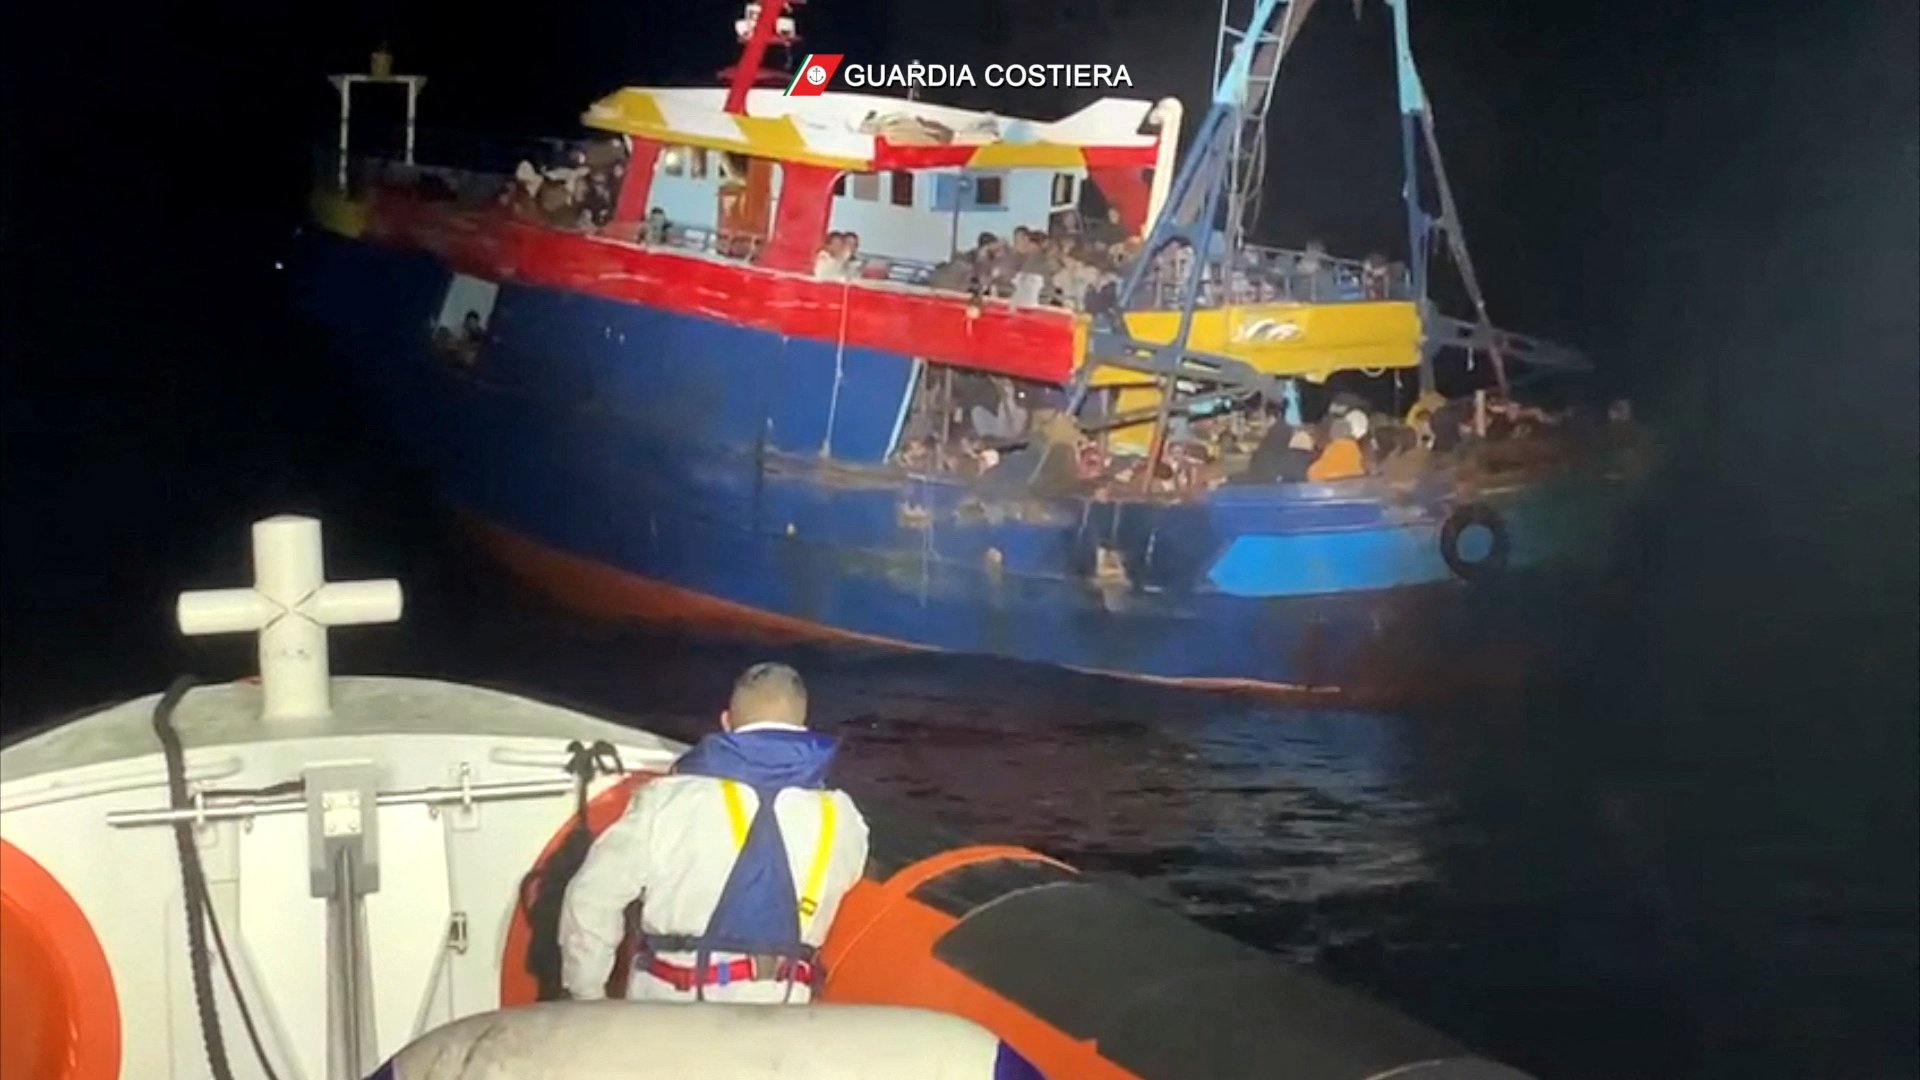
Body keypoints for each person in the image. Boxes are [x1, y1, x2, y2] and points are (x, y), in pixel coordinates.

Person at [559, 663, 870, 1004]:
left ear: (726, 722)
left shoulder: (668, 800)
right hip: (784, 1017)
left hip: (671, 1009)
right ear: (803, 727)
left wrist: (586, 994)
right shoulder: (843, 817)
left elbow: (591, 897)